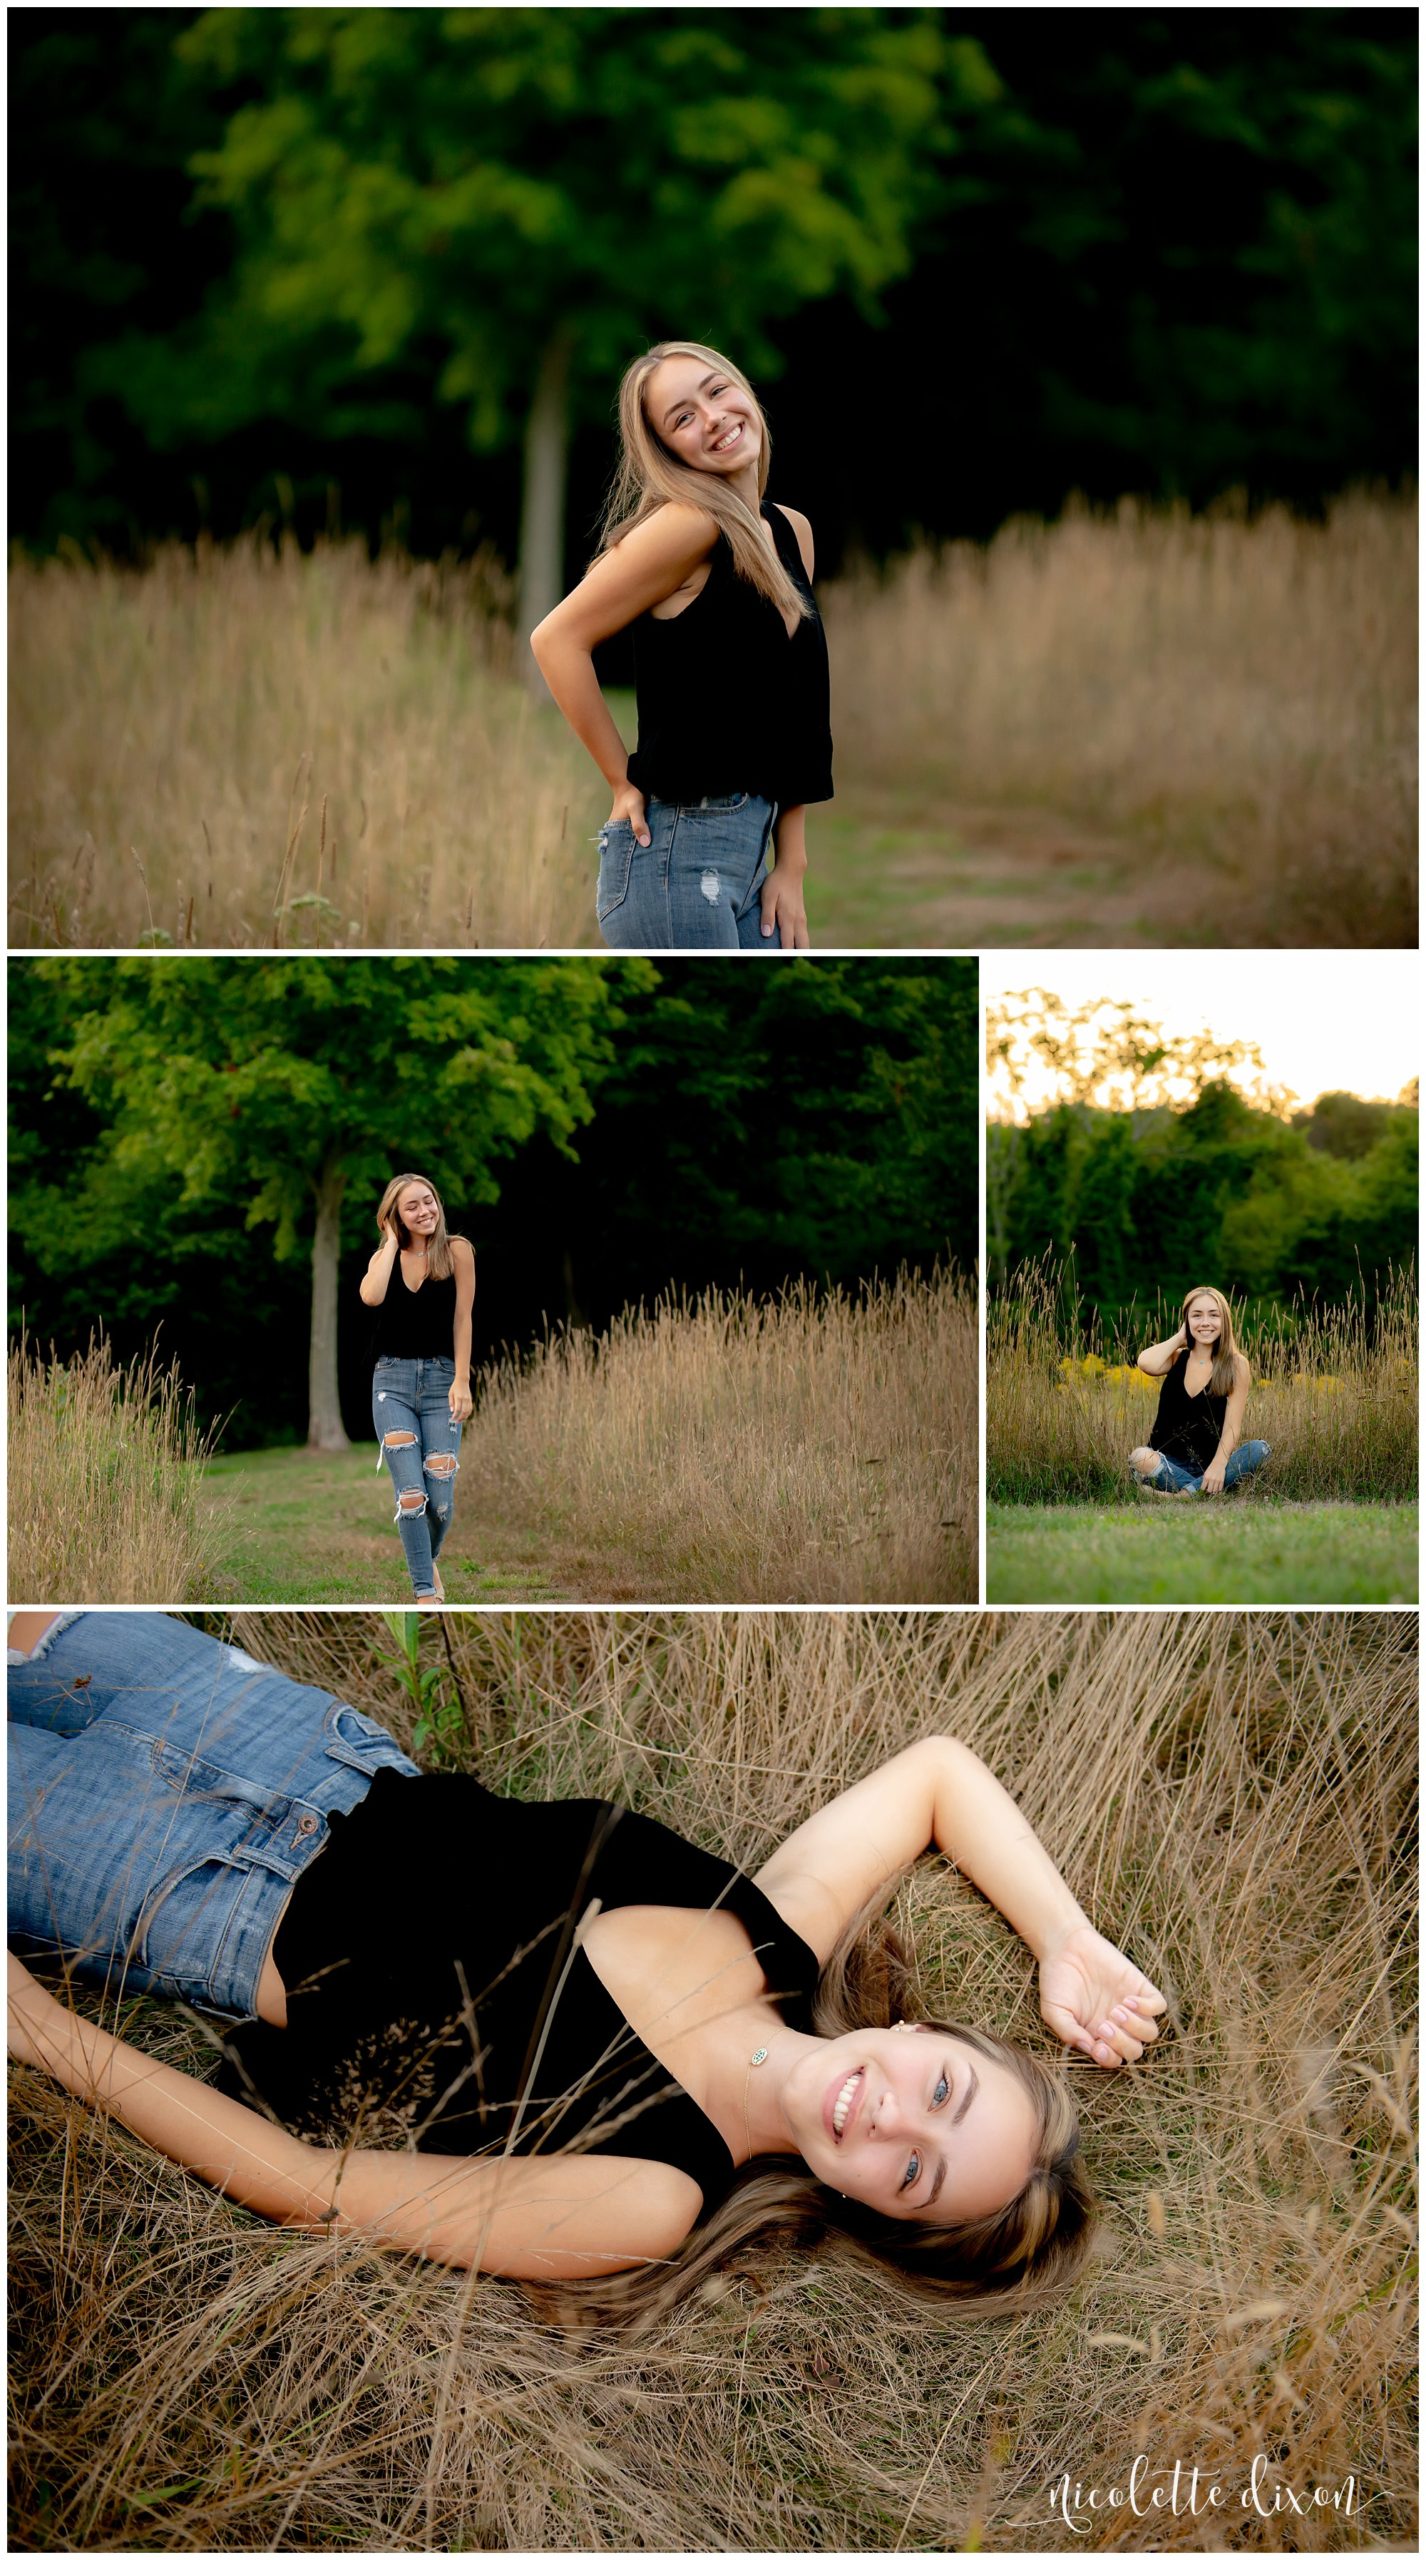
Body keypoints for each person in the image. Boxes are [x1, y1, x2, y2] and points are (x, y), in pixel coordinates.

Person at [7, 1614, 1167, 2322]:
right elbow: (936, 1775)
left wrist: (40, 2032)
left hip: (188, 1890)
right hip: (299, 1741)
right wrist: (1063, 1937)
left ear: (871, 2209)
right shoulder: (775, 1931)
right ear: (926, 2038)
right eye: (944, 2094)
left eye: (915, 2172)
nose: (891, 2121)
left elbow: (309, 2184)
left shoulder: (651, 2194)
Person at [530, 340, 833, 954]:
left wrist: (792, 861)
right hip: (672, 854)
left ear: (742, 389)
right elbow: (556, 638)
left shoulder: (790, 531)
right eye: (682, 417)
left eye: (716, 390)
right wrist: (622, 781)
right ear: (668, 450)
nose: (712, 416)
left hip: (754, 859)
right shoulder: (688, 524)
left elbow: (800, 711)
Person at [359, 1174, 475, 1602]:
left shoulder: (458, 1251)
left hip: (443, 1380)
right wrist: (390, 1243)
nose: (424, 1211)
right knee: (411, 1495)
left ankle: (428, 1556)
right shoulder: (383, 1258)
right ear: (395, 1216)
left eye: (429, 1201)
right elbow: (371, 1297)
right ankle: (425, 1590)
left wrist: (462, 1379)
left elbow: (463, 1319)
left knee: (440, 1499)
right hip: (391, 1384)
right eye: (411, 1207)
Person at [1130, 1285, 1271, 1497]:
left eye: (1213, 1315)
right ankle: (1202, 1491)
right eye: (1196, 1315)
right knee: (1139, 1456)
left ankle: (1182, 1497)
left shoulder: (1236, 1365)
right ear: (1187, 1321)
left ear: (1224, 1321)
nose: (1205, 1322)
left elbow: (1232, 1429)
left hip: (1212, 1464)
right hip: (1166, 1464)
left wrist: (1218, 1465)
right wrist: (1179, 1336)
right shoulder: (1177, 1358)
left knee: (1259, 1449)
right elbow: (1145, 1363)